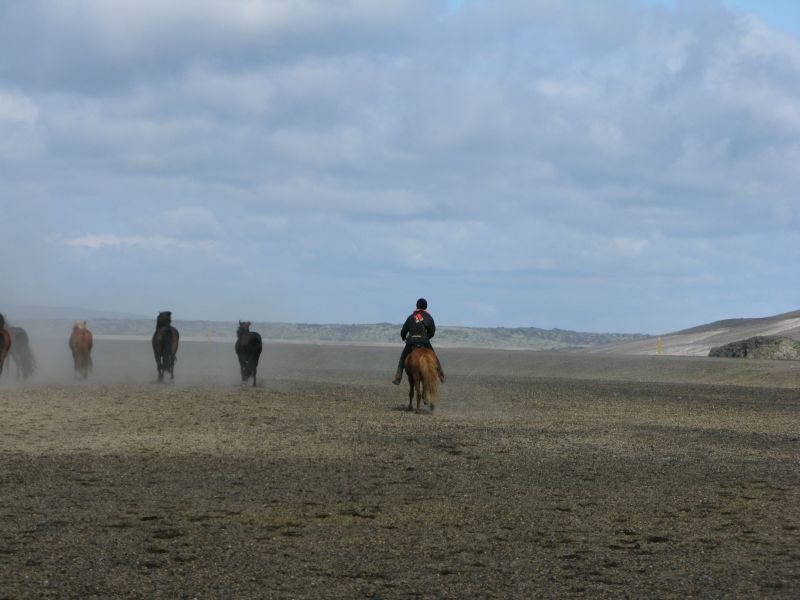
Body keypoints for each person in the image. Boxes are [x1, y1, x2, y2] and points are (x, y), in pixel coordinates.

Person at [392, 298, 446, 385]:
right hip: (424, 341)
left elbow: (404, 330)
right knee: (435, 357)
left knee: (402, 358)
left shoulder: (410, 317)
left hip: (411, 341)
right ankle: (441, 375)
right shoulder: (429, 318)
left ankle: (398, 378)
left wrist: (404, 338)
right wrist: (427, 337)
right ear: (426, 307)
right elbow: (432, 331)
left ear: (417, 306)